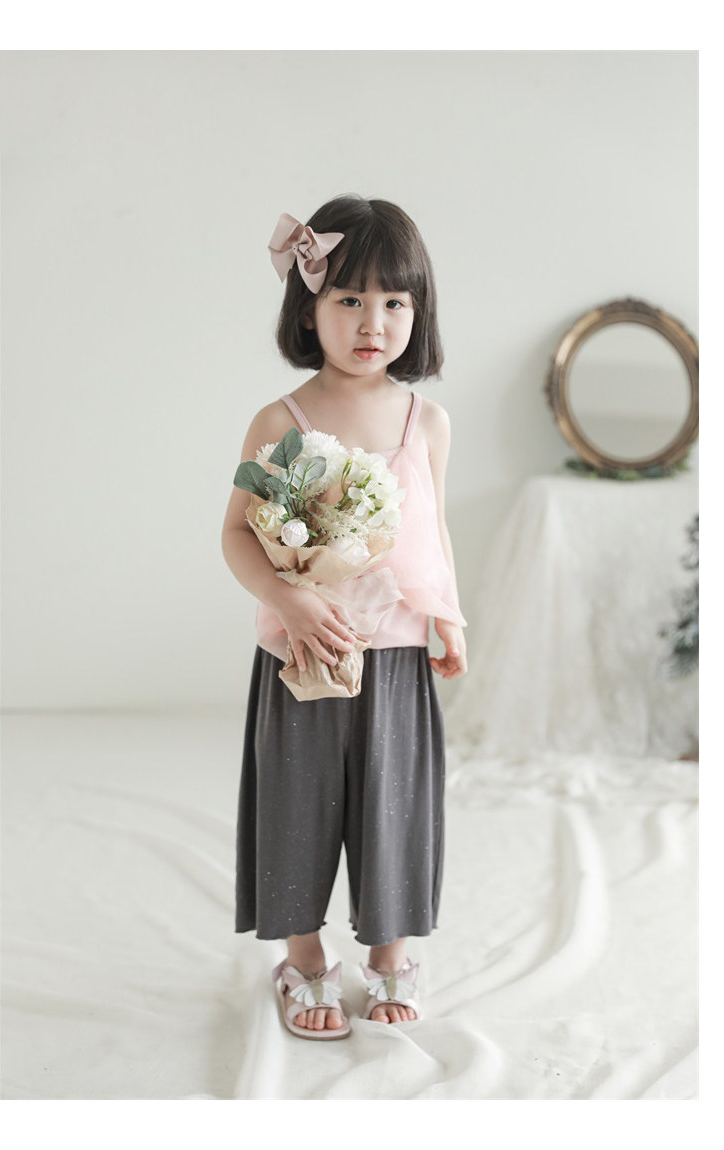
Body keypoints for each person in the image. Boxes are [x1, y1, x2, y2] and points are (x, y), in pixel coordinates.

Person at [221, 194, 467, 1040]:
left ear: (418, 312)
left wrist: (450, 617)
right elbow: (236, 535)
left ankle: (393, 956)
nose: (373, 322)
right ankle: (303, 962)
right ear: (309, 306)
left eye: (395, 301)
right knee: (299, 804)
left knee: (394, 807)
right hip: (304, 656)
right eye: (350, 298)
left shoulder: (426, 421)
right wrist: (287, 596)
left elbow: (434, 531)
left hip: (395, 653)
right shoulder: (281, 423)